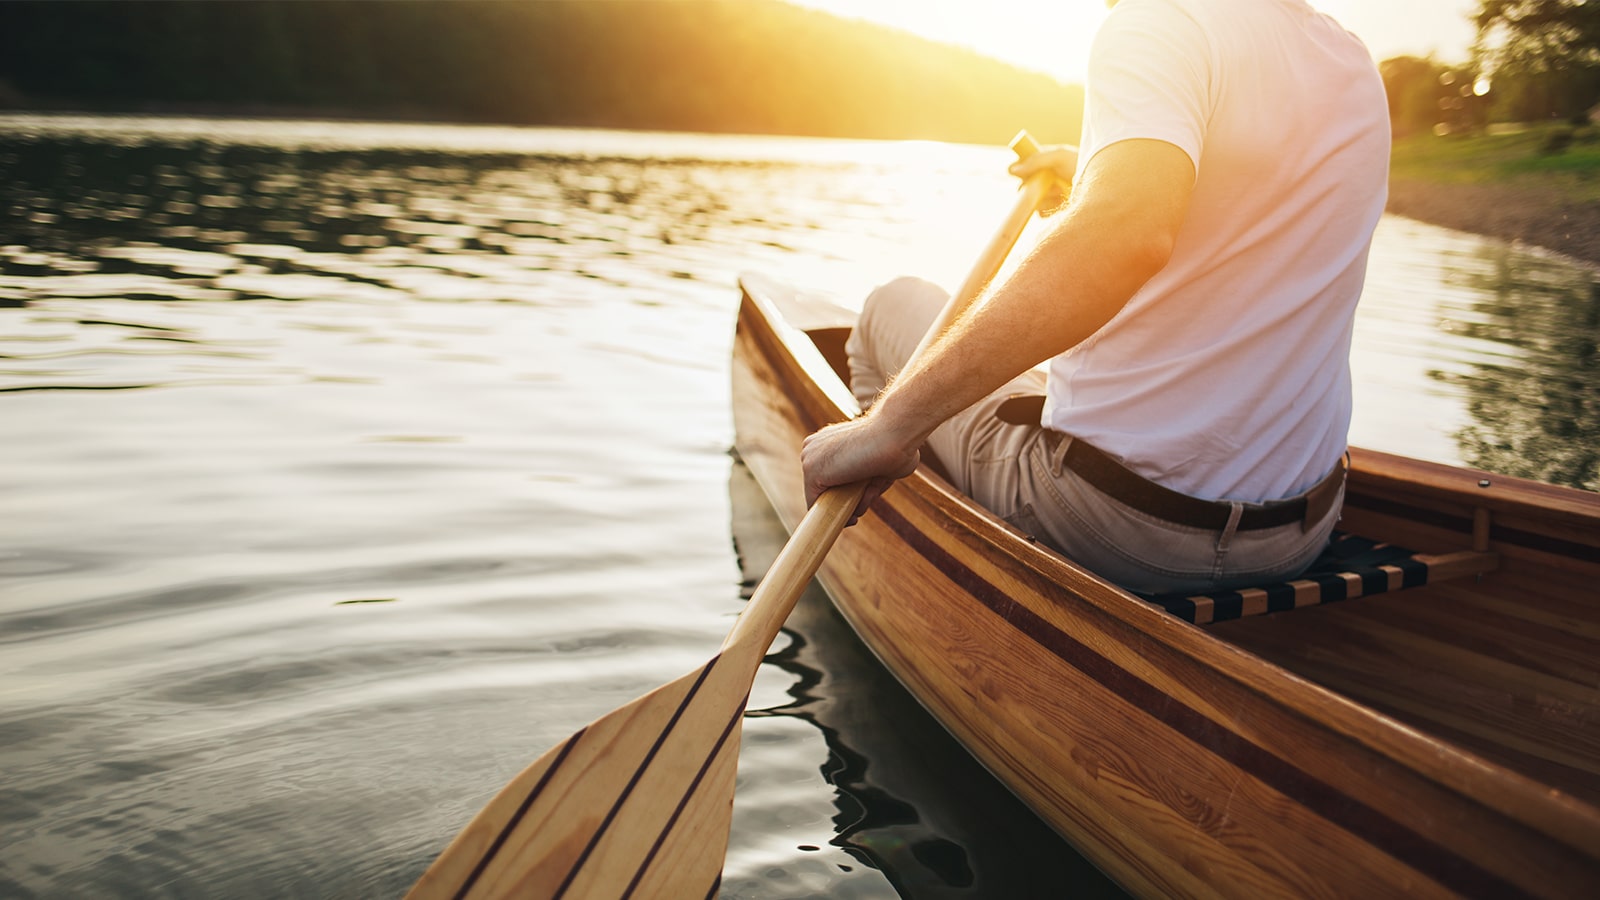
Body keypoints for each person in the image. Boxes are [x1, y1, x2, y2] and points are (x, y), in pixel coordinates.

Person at [799, 0, 1391, 594]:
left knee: (889, 307)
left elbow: (1127, 234)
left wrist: (890, 428)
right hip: (1297, 534)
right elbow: (1247, 193)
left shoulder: (1161, 19)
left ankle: (906, 566)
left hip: (1116, 528)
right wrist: (1098, 171)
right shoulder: (1349, 60)